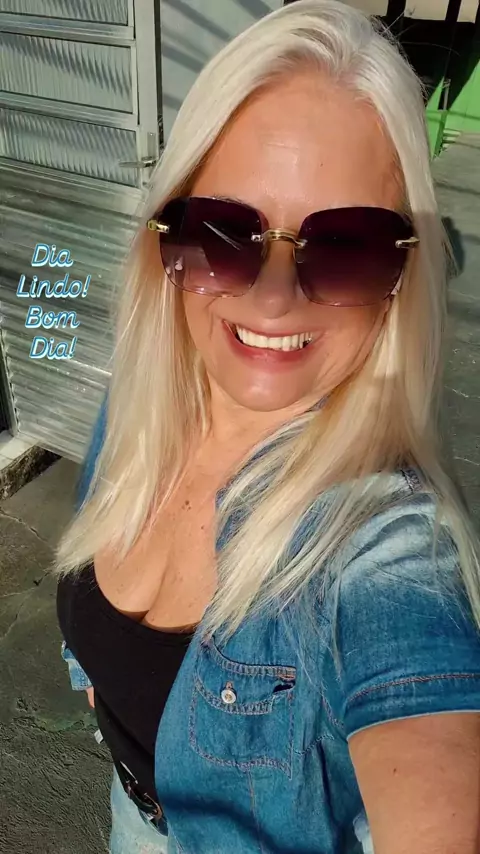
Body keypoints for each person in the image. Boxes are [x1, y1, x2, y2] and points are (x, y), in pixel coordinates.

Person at [53, 2, 480, 853]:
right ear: (165, 234)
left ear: (404, 275)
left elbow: (431, 757)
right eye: (224, 233)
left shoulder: (387, 543)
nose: (275, 297)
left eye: (348, 246)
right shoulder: (146, 396)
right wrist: (97, 674)